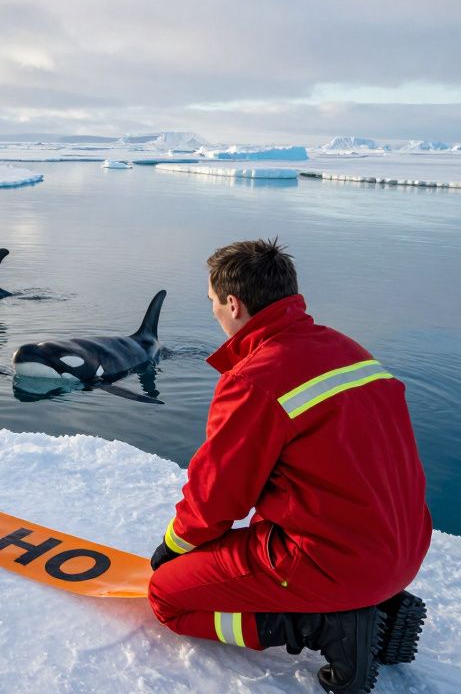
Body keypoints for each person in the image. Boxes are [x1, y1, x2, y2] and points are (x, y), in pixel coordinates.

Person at [147, 240, 431, 694]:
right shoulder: (349, 350)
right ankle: (373, 606)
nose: (215, 314)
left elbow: (217, 498)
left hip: (333, 561)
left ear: (234, 304)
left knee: (167, 598)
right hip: (404, 548)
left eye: (213, 303)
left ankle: (320, 625)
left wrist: (173, 547)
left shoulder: (254, 380)